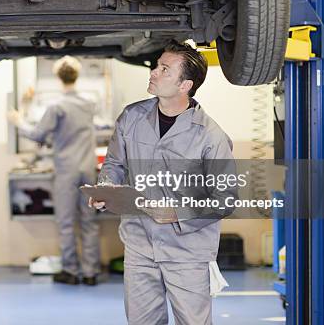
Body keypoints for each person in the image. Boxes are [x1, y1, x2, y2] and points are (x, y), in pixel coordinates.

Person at [91, 42, 236, 324]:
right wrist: (105, 189)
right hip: (139, 245)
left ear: (185, 85)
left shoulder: (210, 136)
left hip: (187, 252)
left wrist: (177, 214)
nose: (154, 72)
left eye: (164, 69)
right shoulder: (131, 117)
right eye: (157, 65)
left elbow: (225, 199)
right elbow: (114, 165)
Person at [8, 56, 100, 285]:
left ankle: (70, 271)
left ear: (59, 77)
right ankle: (90, 273)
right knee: (89, 221)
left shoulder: (57, 106)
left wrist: (18, 120)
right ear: (76, 75)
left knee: (67, 222)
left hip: (67, 170)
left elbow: (38, 134)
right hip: (89, 169)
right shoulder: (89, 103)